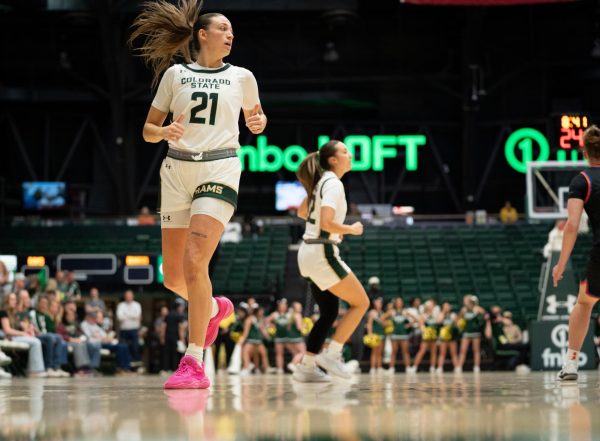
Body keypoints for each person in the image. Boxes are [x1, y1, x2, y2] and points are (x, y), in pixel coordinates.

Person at [129, 0, 265, 389]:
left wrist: (258, 122)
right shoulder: (175, 75)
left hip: (221, 167)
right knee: (173, 276)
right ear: (202, 34)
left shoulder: (243, 77)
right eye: (224, 28)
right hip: (176, 170)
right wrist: (164, 131)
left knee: (195, 261)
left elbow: (257, 119)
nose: (231, 34)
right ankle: (215, 308)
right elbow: (147, 130)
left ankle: (193, 362)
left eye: (232, 30)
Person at [292, 141, 370, 382]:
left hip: (308, 252)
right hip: (321, 252)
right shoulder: (333, 183)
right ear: (333, 160)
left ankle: (307, 366)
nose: (350, 154)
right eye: (345, 151)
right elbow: (326, 223)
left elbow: (302, 213)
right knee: (361, 303)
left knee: (329, 312)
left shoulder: (320, 182)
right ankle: (332, 354)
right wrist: (351, 229)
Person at [553, 126, 600, 381]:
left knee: (584, 304)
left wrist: (561, 264)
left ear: (584, 151)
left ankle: (571, 364)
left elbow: (572, 225)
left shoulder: (582, 180)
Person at [0, 292, 47, 377]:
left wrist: (27, 330)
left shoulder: (13, 313)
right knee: (36, 342)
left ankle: (35, 369)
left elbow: (18, 326)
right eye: (12, 299)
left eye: (15, 299)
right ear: (7, 301)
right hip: (8, 337)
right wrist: (23, 333)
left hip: (14, 336)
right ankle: (35, 370)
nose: (15, 301)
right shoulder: (3, 312)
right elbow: (7, 330)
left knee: (35, 340)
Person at [457, 295, 486, 373]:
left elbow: (486, 315)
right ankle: (459, 367)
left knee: (476, 350)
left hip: (476, 332)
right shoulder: (463, 310)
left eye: (465, 300)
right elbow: (458, 319)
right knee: (463, 350)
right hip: (466, 332)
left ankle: (476, 367)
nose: (464, 301)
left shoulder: (478, 309)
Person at [409, 300, 438, 373]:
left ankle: (432, 367)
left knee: (434, 351)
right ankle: (414, 367)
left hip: (433, 335)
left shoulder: (435, 315)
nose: (432, 307)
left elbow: (437, 323)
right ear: (427, 307)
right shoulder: (424, 315)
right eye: (430, 305)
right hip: (426, 336)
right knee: (422, 351)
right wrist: (424, 331)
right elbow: (420, 324)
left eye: (432, 305)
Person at [384, 297, 413, 374]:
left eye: (400, 302)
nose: (399, 303)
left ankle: (408, 367)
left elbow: (415, 319)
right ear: (395, 303)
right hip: (394, 334)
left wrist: (408, 325)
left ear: (402, 303)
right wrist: (387, 324)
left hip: (403, 335)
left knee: (405, 351)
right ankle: (391, 368)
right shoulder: (392, 312)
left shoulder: (405, 311)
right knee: (394, 352)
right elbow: (382, 318)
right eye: (397, 302)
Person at [116, 290, 142, 363]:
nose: (128, 297)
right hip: (124, 330)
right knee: (123, 348)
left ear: (133, 296)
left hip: (134, 329)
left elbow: (137, 316)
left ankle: (134, 364)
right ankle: (124, 365)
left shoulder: (137, 305)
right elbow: (119, 317)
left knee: (135, 347)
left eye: (130, 296)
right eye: (127, 296)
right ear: (125, 297)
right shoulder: (121, 305)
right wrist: (132, 316)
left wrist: (126, 315)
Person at [436, 302, 460, 373]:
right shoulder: (440, 314)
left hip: (452, 336)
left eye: (447, 306)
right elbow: (438, 322)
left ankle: (457, 367)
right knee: (442, 353)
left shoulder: (453, 315)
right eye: (444, 307)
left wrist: (455, 321)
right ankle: (439, 367)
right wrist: (443, 313)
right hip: (443, 336)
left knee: (454, 353)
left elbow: (457, 325)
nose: (446, 308)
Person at [366, 297, 386, 374]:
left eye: (380, 303)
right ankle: (373, 368)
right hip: (374, 335)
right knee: (374, 352)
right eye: (377, 303)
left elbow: (383, 324)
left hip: (381, 334)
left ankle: (379, 367)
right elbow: (369, 324)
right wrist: (370, 334)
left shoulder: (382, 312)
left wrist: (386, 324)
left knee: (380, 352)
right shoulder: (372, 312)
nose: (379, 304)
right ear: (374, 304)